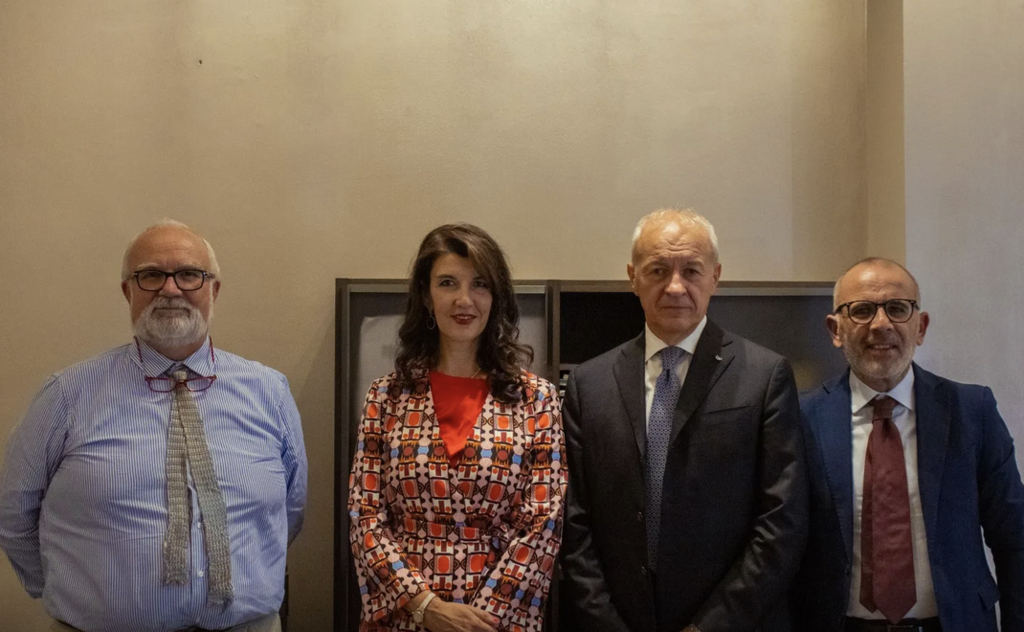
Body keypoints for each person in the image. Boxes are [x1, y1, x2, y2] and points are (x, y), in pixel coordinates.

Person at [0, 220, 308, 632]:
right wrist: (70, 592)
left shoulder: (269, 391)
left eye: (189, 274)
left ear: (213, 289)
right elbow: (14, 514)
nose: (170, 289)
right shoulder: (66, 395)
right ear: (128, 290)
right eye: (151, 275)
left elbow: (289, 511)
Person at [560, 208, 808, 632]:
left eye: (691, 270)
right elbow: (573, 519)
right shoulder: (589, 383)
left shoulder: (765, 376)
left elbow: (782, 521)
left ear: (715, 276)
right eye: (658, 270)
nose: (675, 287)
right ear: (633, 277)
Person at [348, 223, 566, 632]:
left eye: (480, 284)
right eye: (447, 283)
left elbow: (543, 523)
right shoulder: (386, 397)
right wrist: (426, 606)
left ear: (495, 297)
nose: (464, 300)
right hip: (405, 615)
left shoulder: (537, 399)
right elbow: (366, 517)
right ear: (426, 296)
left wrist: (481, 620)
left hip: (499, 620)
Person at [793, 257, 1024, 632]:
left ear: (921, 327)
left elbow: (1014, 536)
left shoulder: (972, 412)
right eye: (862, 310)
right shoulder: (802, 419)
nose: (881, 324)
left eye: (898, 309)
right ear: (835, 330)